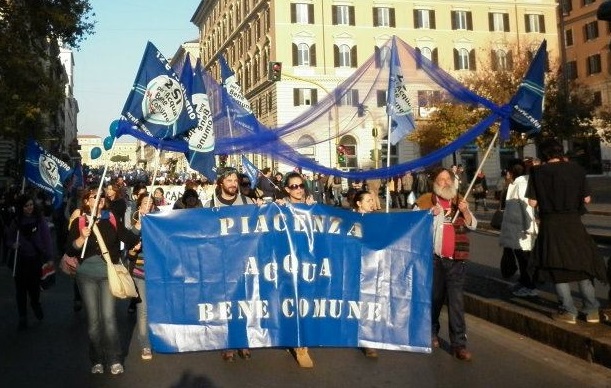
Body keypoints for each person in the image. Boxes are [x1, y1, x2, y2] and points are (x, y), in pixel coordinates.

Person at [526, 139, 606, 324]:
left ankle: (568, 310)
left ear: (544, 154)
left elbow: (532, 203)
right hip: (573, 223)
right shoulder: (576, 169)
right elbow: (586, 199)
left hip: (551, 225)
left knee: (556, 265)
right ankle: (592, 309)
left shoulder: (537, 172)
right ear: (560, 151)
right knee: (582, 264)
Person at [65, 188, 141, 375]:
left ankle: (115, 359)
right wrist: (82, 237)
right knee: (93, 321)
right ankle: (97, 359)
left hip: (108, 274)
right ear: (86, 201)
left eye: (100, 197)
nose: (98, 199)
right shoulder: (80, 221)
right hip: (86, 276)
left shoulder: (111, 218)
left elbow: (127, 237)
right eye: (93, 197)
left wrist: (138, 232)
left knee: (108, 319)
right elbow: (69, 249)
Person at [415, 167, 477, 361]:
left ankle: (459, 344)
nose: (445, 183)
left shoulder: (460, 201)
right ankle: (432, 330)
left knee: (456, 302)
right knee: (435, 298)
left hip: (457, 260)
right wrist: (428, 216)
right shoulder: (425, 201)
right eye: (441, 180)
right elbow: (414, 226)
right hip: (434, 259)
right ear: (435, 183)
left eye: (448, 179)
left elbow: (472, 225)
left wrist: (466, 212)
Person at [205, 167, 258, 361]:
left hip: (244, 261)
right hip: (221, 262)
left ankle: (243, 341)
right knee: (225, 304)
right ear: (221, 183)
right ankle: (228, 343)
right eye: (229, 181)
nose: (233, 184)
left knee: (244, 303)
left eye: (235, 180)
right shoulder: (210, 205)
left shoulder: (248, 202)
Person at [276, 172, 316, 368]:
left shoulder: (311, 205)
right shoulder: (280, 205)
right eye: (293, 186)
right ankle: (295, 343)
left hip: (307, 262)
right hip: (285, 262)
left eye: (301, 185)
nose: (298, 189)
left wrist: (314, 209)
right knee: (288, 302)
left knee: (304, 301)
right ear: (286, 189)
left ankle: (300, 345)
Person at [6, 194, 54, 330]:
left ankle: (35, 303)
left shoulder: (39, 221)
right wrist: (12, 244)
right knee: (20, 290)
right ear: (21, 207)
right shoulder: (16, 221)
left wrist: (49, 257)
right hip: (20, 260)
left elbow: (47, 239)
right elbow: (9, 238)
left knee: (34, 288)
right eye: (26, 206)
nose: (29, 208)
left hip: (35, 260)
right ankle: (22, 317)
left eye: (31, 205)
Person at [499, 161, 538, 297]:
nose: (506, 174)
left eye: (507, 171)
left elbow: (527, 207)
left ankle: (530, 287)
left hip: (522, 230)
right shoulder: (515, 184)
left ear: (512, 172)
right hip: (515, 228)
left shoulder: (521, 185)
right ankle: (523, 281)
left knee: (525, 260)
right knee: (521, 258)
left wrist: (529, 228)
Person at [127, 192, 157, 361]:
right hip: (141, 273)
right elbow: (129, 253)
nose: (148, 205)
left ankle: (158, 338)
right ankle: (145, 343)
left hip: (158, 274)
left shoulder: (159, 222)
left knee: (157, 308)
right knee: (143, 309)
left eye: (151, 202)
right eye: (145, 202)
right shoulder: (134, 226)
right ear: (139, 207)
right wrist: (134, 248)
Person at [351, 190, 379, 358]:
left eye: (373, 200)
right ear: (359, 203)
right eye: (368, 200)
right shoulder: (347, 219)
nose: (372, 203)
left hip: (371, 266)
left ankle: (368, 341)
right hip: (353, 265)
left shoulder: (377, 219)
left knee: (369, 300)